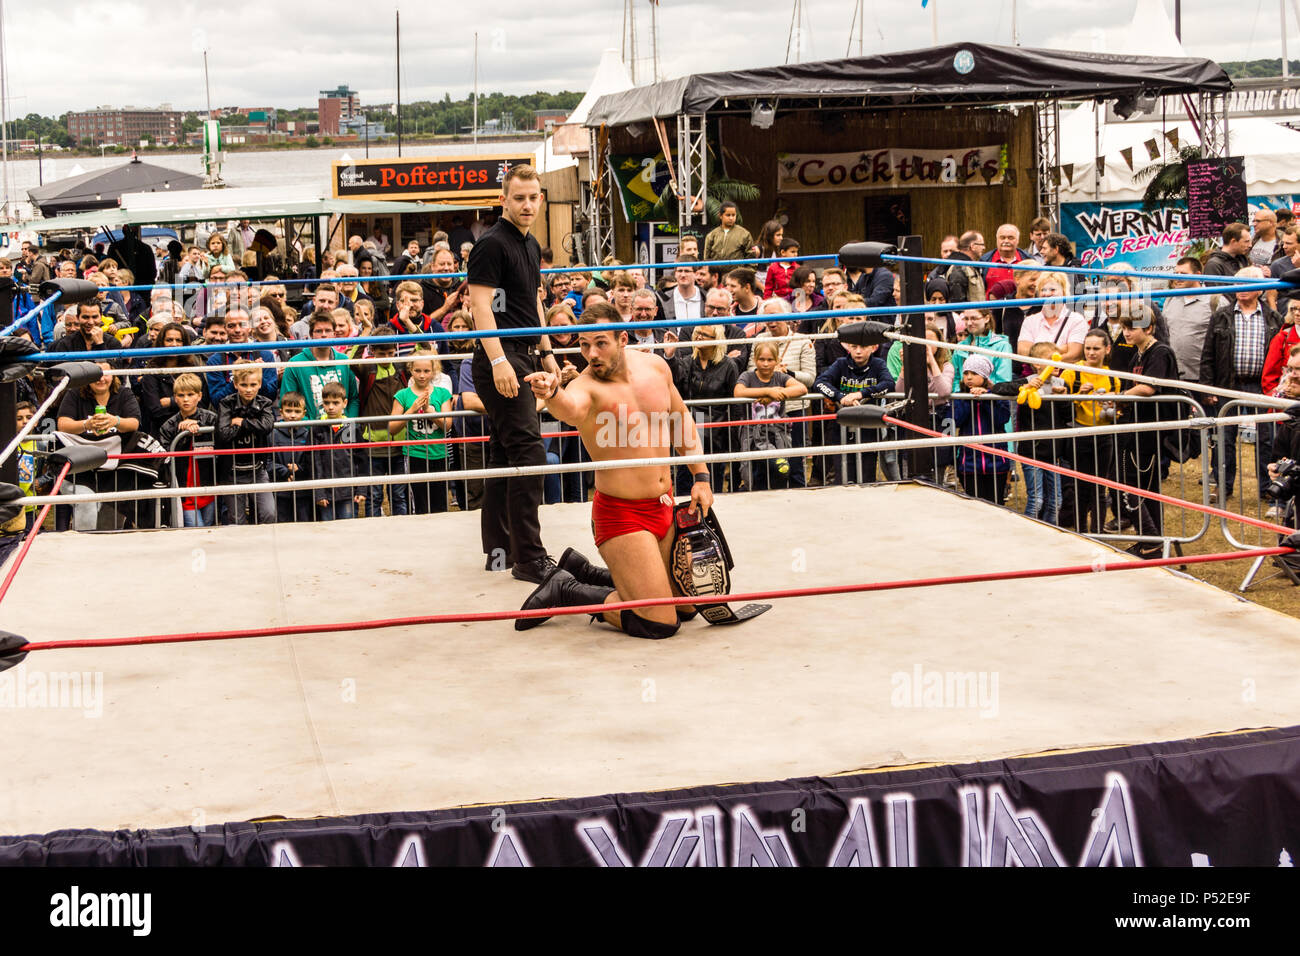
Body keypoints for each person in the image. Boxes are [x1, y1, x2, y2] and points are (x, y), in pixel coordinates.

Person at [516, 302, 714, 640]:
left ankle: (587, 571)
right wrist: (551, 394)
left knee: (688, 605)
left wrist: (701, 476)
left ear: (623, 338)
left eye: (601, 343)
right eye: (584, 345)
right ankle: (569, 588)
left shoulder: (655, 367)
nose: (591, 354)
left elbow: (679, 418)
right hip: (622, 515)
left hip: (664, 505)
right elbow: (570, 409)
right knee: (661, 622)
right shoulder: (586, 386)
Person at [467, 163, 563, 581]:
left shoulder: (529, 243)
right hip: (501, 356)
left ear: (541, 199)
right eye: (519, 197)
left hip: (523, 352)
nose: (527, 204)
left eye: (533, 197)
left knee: (507, 454)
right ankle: (528, 557)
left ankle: (500, 553)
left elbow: (533, 304)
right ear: (503, 199)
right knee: (529, 452)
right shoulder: (491, 244)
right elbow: (480, 306)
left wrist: (546, 353)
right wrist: (499, 359)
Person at [1198, 266, 1281, 504]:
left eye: (1246, 284)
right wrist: (1207, 387)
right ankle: (1223, 485)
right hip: (1227, 385)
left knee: (1267, 439)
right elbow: (1208, 354)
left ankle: (1267, 487)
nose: (1241, 290)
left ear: (1259, 289)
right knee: (1224, 437)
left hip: (1262, 386)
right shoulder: (1221, 315)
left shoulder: (1272, 317)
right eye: (1236, 284)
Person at [1110, 308, 1178, 555]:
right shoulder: (1137, 354)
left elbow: (1148, 388)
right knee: (1135, 486)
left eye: (1132, 328)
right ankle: (1151, 539)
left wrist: (1118, 396)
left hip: (1149, 431)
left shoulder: (1159, 352)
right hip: (1135, 427)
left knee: (1134, 486)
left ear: (1149, 328)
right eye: (1125, 328)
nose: (1126, 333)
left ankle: (1152, 541)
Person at [1057, 329, 1122, 533]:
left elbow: (1117, 411)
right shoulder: (1071, 372)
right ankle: (1080, 530)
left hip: (1104, 435)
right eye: (1087, 348)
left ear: (1107, 349)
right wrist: (1077, 395)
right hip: (1079, 434)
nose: (1091, 353)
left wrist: (1114, 407)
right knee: (1079, 487)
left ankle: (1097, 531)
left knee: (1099, 487)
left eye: (1096, 348)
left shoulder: (1113, 377)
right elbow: (1061, 405)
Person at [814, 337, 895, 484]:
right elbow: (820, 382)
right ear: (848, 347)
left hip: (869, 427)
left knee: (867, 475)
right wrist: (840, 396)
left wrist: (862, 394)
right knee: (843, 474)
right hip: (841, 426)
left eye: (863, 347)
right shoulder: (841, 363)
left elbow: (889, 384)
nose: (858, 351)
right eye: (854, 346)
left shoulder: (878, 364)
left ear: (874, 347)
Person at [734, 339, 808, 491]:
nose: (766, 364)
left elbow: (802, 388)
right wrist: (767, 391)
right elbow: (739, 392)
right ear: (755, 360)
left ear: (777, 360)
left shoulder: (780, 377)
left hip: (778, 433)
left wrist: (777, 395)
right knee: (754, 471)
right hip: (752, 435)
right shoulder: (748, 376)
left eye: (770, 360)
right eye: (761, 359)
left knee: (779, 468)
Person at [350, 326, 408, 518]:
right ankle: (372, 527)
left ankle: (403, 528)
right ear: (372, 351)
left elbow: (426, 349)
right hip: (373, 443)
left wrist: (407, 322)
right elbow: (352, 359)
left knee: (398, 494)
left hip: (399, 442)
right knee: (373, 495)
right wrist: (365, 332)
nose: (386, 357)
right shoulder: (368, 368)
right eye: (381, 353)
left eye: (390, 353)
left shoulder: (401, 368)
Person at [389, 350, 454, 515]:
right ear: (411, 370)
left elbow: (447, 426)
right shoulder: (402, 395)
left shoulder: (443, 394)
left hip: (439, 453)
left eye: (426, 371)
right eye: (417, 371)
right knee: (419, 503)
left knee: (439, 503)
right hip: (414, 454)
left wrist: (430, 412)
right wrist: (412, 410)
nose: (422, 375)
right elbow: (392, 427)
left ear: (433, 371)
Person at [215, 362, 276, 525]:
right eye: (243, 385)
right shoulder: (226, 403)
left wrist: (242, 423)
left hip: (257, 469)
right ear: (235, 384)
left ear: (260, 384)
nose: (248, 389)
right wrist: (253, 424)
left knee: (269, 513)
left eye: (253, 384)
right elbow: (223, 434)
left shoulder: (265, 403)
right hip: (233, 471)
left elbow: (267, 426)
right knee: (237, 520)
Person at [157, 373, 218, 527]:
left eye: (190, 395)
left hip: (209, 486)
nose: (185, 399)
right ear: (175, 397)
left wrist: (199, 427)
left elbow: (222, 441)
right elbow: (165, 457)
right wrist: (182, 434)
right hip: (184, 490)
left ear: (199, 396)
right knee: (198, 528)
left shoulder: (211, 419)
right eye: (181, 395)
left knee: (210, 528)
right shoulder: (168, 426)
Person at [950, 356, 1013, 505]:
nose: (969, 377)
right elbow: (956, 420)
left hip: (997, 464)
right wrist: (969, 399)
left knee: (996, 504)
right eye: (966, 373)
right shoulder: (959, 396)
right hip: (969, 464)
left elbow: (1002, 418)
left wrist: (985, 399)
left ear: (984, 376)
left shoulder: (997, 396)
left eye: (974, 373)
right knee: (974, 505)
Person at [280, 311, 361, 420]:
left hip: (342, 429)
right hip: (310, 432)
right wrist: (310, 427)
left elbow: (353, 399)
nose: (323, 335)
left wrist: (348, 423)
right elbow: (287, 402)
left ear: (334, 334)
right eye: (318, 331)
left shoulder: (344, 361)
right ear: (311, 334)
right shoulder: (295, 364)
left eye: (327, 330)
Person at [305, 380, 367, 521]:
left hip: (348, 491)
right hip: (325, 492)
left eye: (335, 403)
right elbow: (313, 462)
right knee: (328, 530)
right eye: (326, 403)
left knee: (348, 528)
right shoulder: (316, 428)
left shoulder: (352, 428)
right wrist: (318, 492)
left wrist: (362, 488)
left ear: (344, 403)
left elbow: (361, 460)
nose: (331, 407)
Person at [1017, 271, 1087, 364]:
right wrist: (1061, 349)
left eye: (1052, 289)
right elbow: (1023, 353)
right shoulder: (1030, 321)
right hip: (1035, 375)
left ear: (1064, 292)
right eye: (1043, 290)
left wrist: (1038, 354)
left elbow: (1074, 356)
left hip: (1065, 375)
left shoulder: (1077, 320)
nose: (1047, 293)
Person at [270, 392, 314, 523]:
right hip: (280, 491)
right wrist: (285, 472)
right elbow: (267, 461)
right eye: (288, 411)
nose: (293, 415)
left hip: (303, 491)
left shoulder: (307, 435)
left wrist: (298, 469)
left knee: (304, 524)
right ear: (281, 412)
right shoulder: (273, 434)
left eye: (297, 411)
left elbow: (311, 462)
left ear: (304, 413)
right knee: (282, 525)